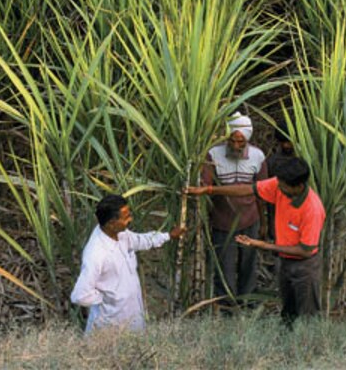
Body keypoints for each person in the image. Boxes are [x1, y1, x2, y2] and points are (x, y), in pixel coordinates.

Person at [185, 156, 325, 325]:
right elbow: (248, 189)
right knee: (288, 313)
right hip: (286, 262)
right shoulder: (280, 185)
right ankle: (287, 347)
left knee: (308, 317)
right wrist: (209, 190)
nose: (278, 187)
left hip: (305, 267)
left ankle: (311, 349)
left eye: (283, 185)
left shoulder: (312, 209)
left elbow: (306, 250)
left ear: (299, 186)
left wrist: (262, 244)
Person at [70, 194, 186, 333]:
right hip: (110, 327)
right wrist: (107, 299)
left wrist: (168, 236)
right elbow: (79, 295)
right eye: (126, 217)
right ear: (112, 223)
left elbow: (141, 240)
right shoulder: (96, 253)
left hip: (132, 317)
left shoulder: (122, 234)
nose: (130, 219)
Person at [199, 113, 267, 306]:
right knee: (225, 266)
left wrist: (263, 223)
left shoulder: (258, 156)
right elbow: (205, 185)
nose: (236, 145)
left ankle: (247, 301)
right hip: (222, 221)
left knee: (248, 263)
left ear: (247, 139)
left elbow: (262, 193)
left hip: (250, 219)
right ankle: (227, 305)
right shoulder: (213, 154)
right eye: (232, 140)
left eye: (240, 142)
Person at [264, 120, 297, 241]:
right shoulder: (272, 162)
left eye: (289, 142)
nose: (286, 146)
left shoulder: (303, 159)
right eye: (283, 142)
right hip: (277, 210)